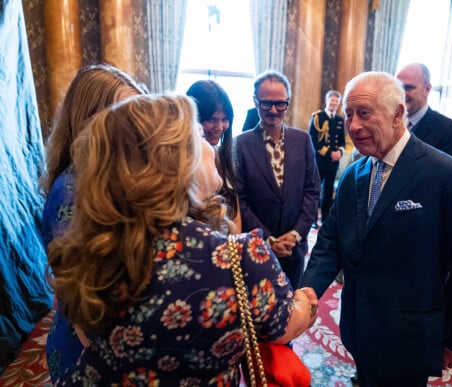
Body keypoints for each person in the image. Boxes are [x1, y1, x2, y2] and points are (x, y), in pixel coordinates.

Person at [47, 94, 317, 385]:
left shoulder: (90, 244)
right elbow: (284, 327)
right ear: (173, 160)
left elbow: (88, 337)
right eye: (199, 133)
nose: (211, 138)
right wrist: (304, 303)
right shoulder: (241, 257)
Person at [301, 71, 452, 386]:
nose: (354, 125)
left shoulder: (448, 176)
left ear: (397, 114)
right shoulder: (352, 175)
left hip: (410, 336)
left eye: (364, 113)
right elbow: (330, 242)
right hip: (358, 326)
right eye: (349, 115)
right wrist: (306, 293)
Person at [41, 63, 144, 384]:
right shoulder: (71, 190)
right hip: (86, 352)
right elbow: (83, 305)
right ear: (91, 121)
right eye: (123, 115)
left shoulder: (112, 174)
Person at [235, 70, 320, 290]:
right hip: (257, 248)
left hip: (294, 248)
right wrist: (269, 240)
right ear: (255, 101)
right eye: (266, 104)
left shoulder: (302, 140)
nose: (273, 110)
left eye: (280, 104)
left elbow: (312, 191)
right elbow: (239, 200)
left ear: (287, 102)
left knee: (292, 305)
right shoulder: (240, 145)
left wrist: (294, 235)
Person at [186, 80, 242, 231]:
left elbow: (236, 213)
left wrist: (234, 248)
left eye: (224, 119)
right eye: (211, 119)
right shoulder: (185, 164)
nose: (219, 127)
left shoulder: (224, 155)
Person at [396, 63, 452, 161]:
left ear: (427, 89)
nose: (401, 93)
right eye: (398, 88)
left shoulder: (451, 132)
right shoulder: (387, 122)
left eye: (408, 87)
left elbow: (447, 175)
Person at [308, 90, 345, 227]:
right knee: (315, 191)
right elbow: (313, 140)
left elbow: (342, 141)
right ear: (327, 101)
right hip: (320, 161)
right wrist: (330, 153)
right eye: (332, 100)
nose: (334, 103)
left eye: (336, 101)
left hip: (334, 163)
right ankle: (312, 221)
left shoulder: (340, 120)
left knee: (329, 192)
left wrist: (340, 152)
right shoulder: (318, 117)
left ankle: (324, 219)